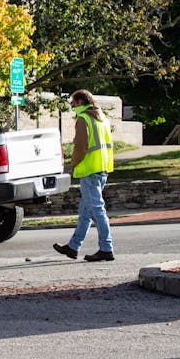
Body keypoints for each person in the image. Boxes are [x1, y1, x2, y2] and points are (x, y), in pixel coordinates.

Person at [53, 89, 116, 262]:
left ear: (80, 102)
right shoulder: (102, 118)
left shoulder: (83, 119)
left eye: (73, 102)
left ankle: (106, 248)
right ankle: (73, 247)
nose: (71, 106)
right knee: (85, 211)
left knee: (96, 209)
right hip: (102, 168)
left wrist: (73, 165)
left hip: (89, 169)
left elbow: (80, 147)